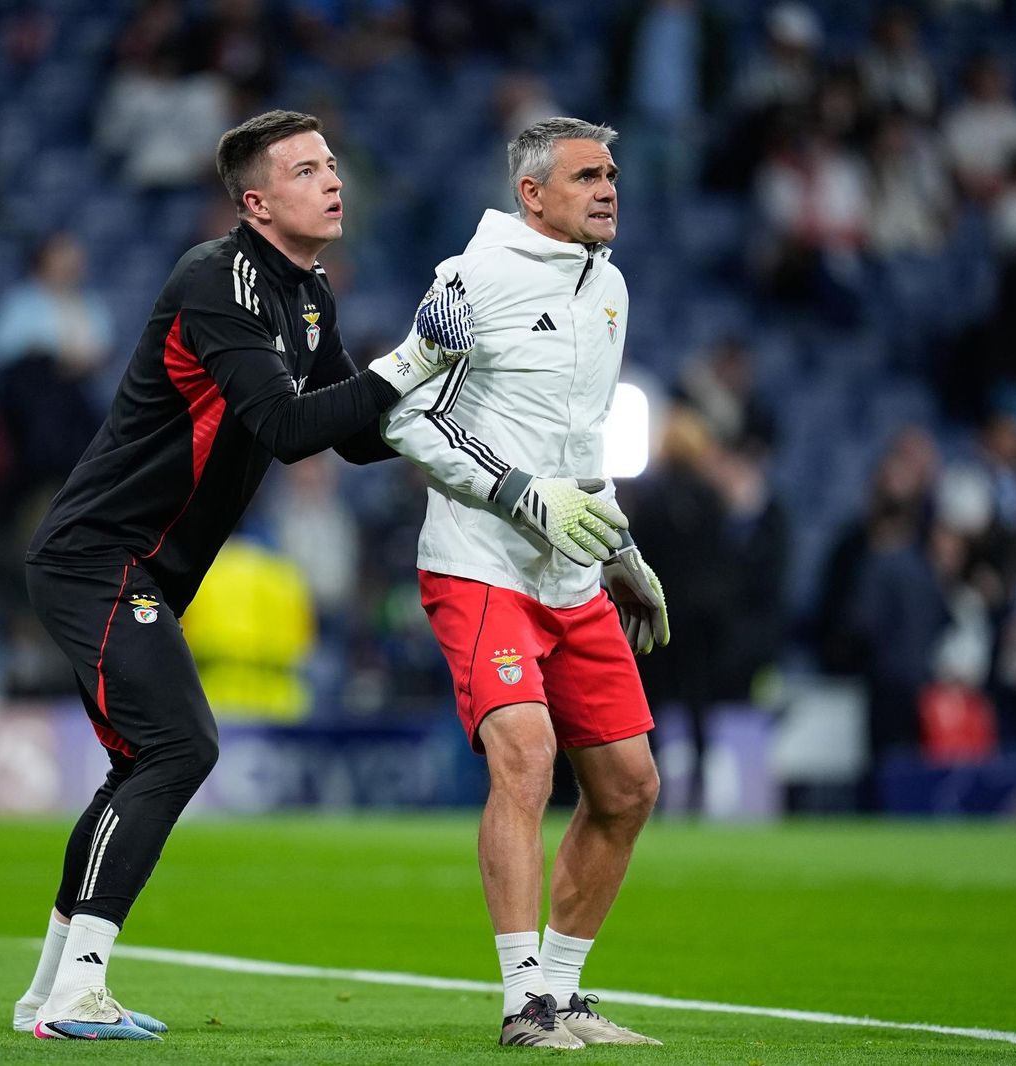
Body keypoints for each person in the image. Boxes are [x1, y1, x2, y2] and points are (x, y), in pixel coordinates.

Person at [12, 109, 469, 1042]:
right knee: (182, 747)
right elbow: (288, 429)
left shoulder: (309, 299)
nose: (333, 179)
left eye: (333, 163)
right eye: (307, 169)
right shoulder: (213, 280)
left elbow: (350, 433)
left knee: (143, 763)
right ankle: (75, 994)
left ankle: (48, 993)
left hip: (142, 569)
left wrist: (457, 415)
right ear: (258, 203)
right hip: (97, 557)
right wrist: (415, 354)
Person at [382, 117, 668, 1049]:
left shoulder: (611, 286)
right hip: (483, 563)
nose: (609, 189)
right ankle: (522, 1004)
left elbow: (583, 443)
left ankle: (566, 989)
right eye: (588, 176)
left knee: (628, 786)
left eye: (613, 174)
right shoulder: (469, 282)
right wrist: (519, 494)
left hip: (573, 570)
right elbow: (405, 418)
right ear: (532, 195)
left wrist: (618, 548)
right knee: (527, 756)